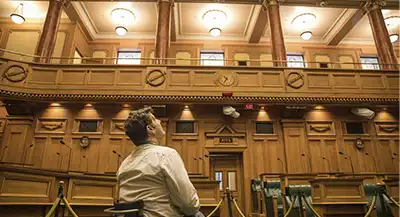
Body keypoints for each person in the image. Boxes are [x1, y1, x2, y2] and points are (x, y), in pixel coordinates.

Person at [117, 107, 204, 217]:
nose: (159, 121)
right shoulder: (166, 155)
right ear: (150, 129)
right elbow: (188, 203)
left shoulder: (125, 164)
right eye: (155, 119)